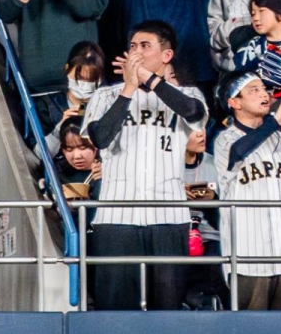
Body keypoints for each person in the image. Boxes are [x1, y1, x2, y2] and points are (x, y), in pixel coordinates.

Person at [80, 21, 208, 311]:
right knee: (115, 313)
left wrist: (149, 80)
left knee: (166, 313)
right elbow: (99, 138)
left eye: (144, 46)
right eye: (133, 46)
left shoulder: (188, 93)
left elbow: (194, 112)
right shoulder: (105, 95)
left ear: (166, 55)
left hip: (169, 217)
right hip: (116, 218)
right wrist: (128, 88)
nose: (135, 53)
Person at [214, 71, 281, 310]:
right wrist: (275, 122)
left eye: (264, 89)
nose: (263, 93)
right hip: (248, 260)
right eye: (253, 90)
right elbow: (236, 154)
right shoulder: (225, 139)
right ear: (234, 102)